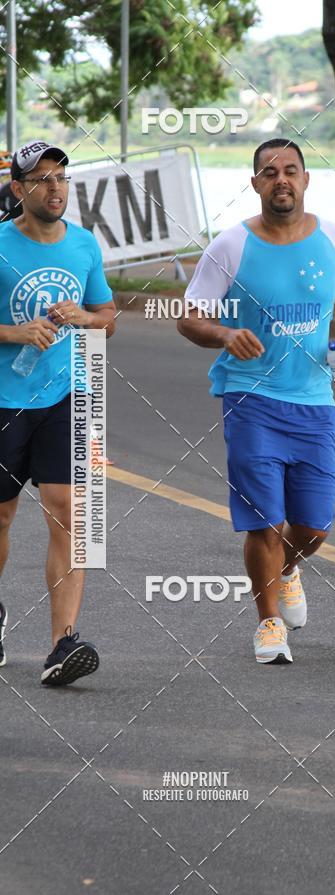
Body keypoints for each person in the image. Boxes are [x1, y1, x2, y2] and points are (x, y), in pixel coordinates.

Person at [178, 138, 335, 664]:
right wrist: (223, 336)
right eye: (269, 171)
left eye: (291, 170)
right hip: (250, 398)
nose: (281, 178)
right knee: (263, 519)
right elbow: (190, 317)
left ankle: (287, 568)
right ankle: (267, 624)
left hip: (313, 401)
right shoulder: (230, 247)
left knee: (312, 526)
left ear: (306, 180)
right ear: (256, 183)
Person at [0, 139, 116, 685]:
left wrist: (85, 318)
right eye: (43, 179)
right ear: (19, 189)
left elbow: (109, 315)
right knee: (1, 517)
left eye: (62, 178)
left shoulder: (84, 246)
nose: (55, 188)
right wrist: (14, 332)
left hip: (66, 395)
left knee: (70, 510)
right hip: (3, 400)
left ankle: (61, 644)